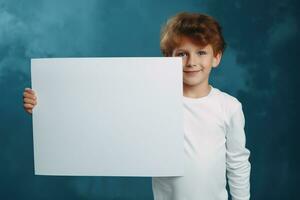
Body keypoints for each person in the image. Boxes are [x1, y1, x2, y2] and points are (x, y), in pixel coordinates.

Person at [23, 12, 251, 200]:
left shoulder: (229, 107)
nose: (191, 62)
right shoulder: (153, 99)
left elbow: (237, 161)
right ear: (168, 58)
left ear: (216, 58)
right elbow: (98, 111)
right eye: (182, 54)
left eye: (201, 52)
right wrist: (45, 107)